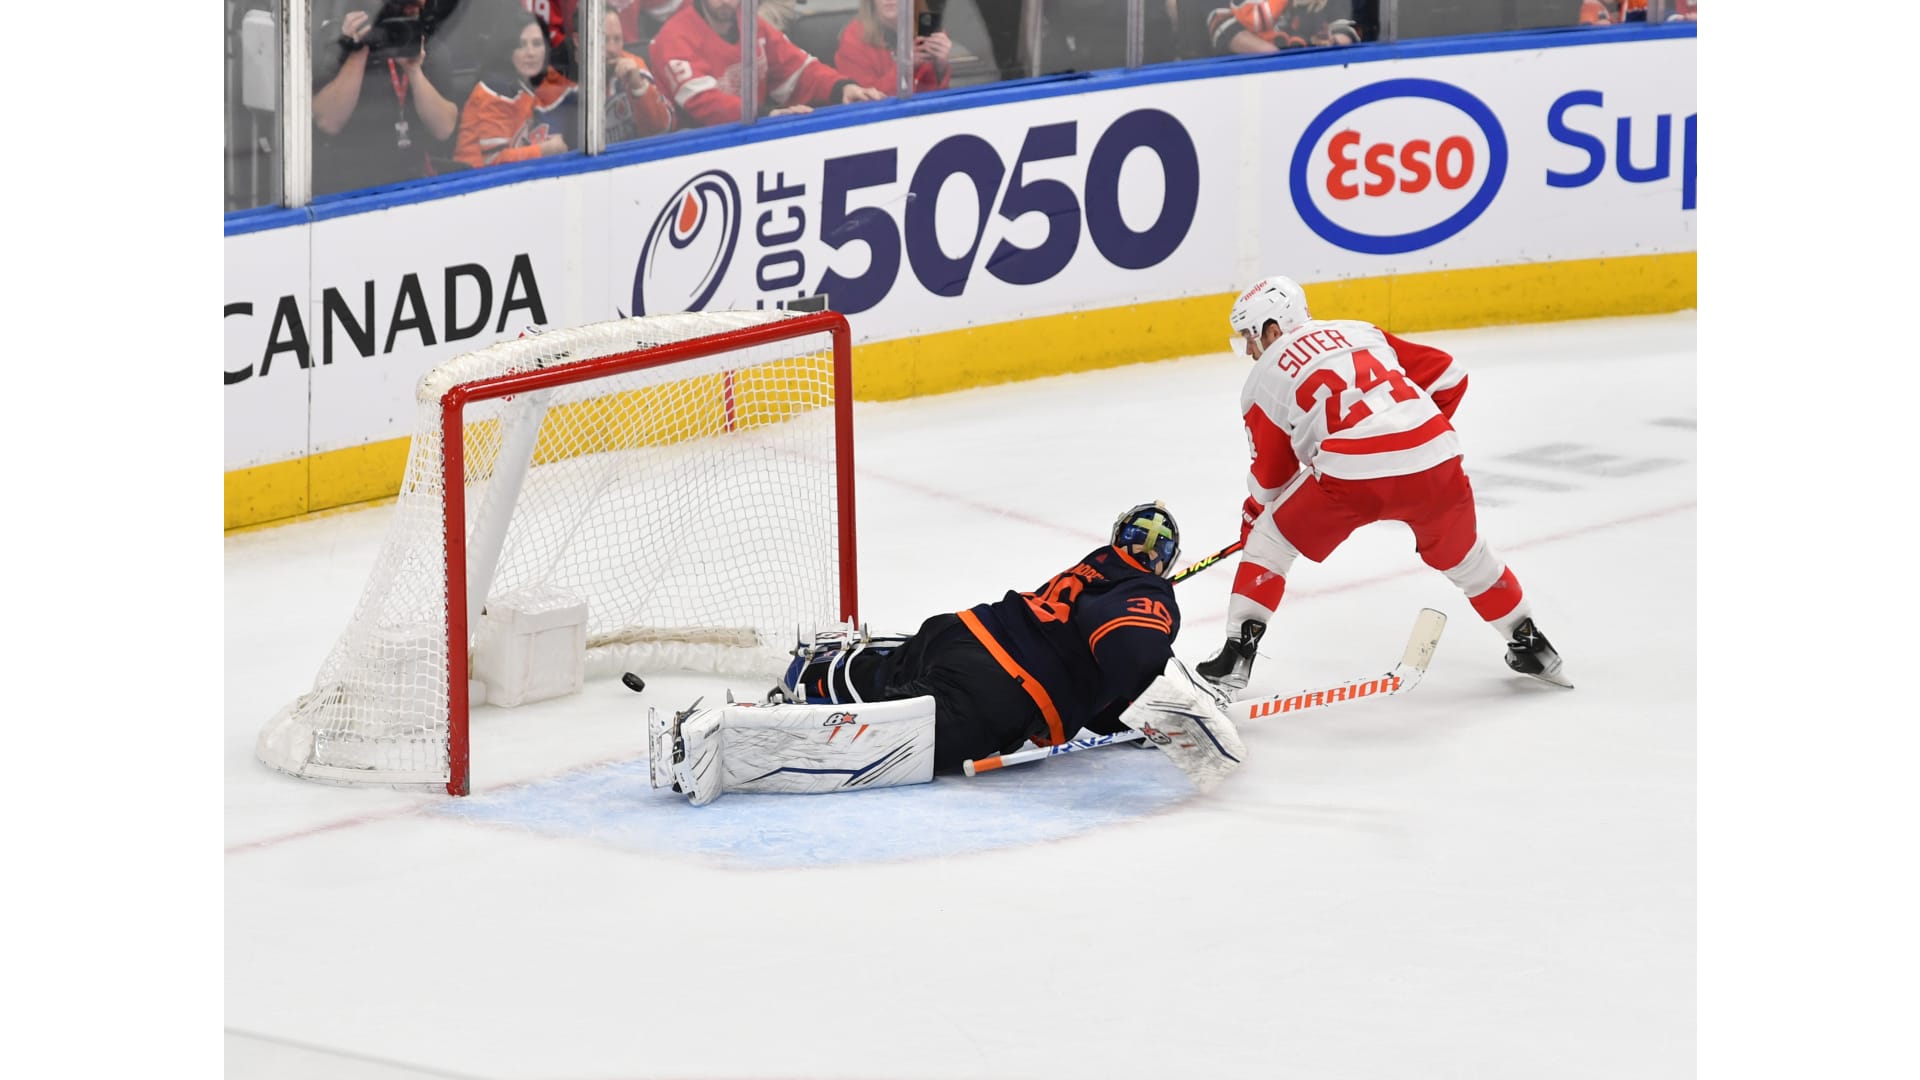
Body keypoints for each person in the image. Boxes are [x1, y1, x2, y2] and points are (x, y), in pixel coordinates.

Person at [649, 503, 1247, 805]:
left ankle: (818, 672)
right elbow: (1130, 656)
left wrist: (1130, 721)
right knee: (876, 737)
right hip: (996, 692)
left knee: (883, 673)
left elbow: (1099, 689)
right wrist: (1189, 724)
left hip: (963, 631)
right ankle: (717, 741)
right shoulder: (1147, 593)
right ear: (1165, 561)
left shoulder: (1094, 569)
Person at [1194, 275, 1572, 697]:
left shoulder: (1263, 378)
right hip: (1436, 456)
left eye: (1250, 336)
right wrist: (1410, 436)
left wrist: (1255, 516)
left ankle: (1236, 657)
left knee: (1270, 542)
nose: (1249, 350)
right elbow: (1450, 377)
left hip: (1351, 473)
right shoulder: (1360, 331)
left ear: (1273, 328)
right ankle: (1531, 642)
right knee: (1466, 555)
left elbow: (1272, 481)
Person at [648, 0, 888, 128]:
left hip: (754, 135)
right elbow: (705, 103)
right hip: (693, 153)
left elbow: (799, 69)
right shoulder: (674, 38)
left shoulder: (753, 25)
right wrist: (767, 115)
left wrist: (842, 88)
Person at [311, 0, 462, 196]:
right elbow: (327, 121)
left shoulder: (424, 46)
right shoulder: (338, 43)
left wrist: (414, 71)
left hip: (410, 181)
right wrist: (359, 50)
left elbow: (444, 128)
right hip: (349, 185)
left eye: (415, 9)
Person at [453, 11, 578, 168]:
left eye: (537, 44)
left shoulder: (535, 79)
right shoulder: (496, 89)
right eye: (521, 45)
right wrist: (544, 150)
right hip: (474, 178)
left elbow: (573, 92)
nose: (531, 53)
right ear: (507, 50)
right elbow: (493, 160)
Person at [588, 8, 678, 142]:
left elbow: (664, 128)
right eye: (603, 40)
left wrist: (639, 87)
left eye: (617, 39)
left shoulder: (634, 66)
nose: (612, 49)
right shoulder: (568, 77)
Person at [834, 0, 952, 96]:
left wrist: (940, 69)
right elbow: (864, 100)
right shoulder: (854, 37)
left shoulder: (927, 28)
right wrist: (905, 67)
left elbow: (936, 100)